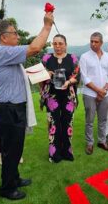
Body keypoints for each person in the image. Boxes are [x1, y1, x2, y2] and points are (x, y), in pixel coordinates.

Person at [0, 12, 53, 200]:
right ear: (3, 37)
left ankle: (14, 178)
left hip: (12, 108)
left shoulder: (5, 54)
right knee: (11, 150)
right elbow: (35, 48)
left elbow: (18, 76)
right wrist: (47, 26)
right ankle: (7, 189)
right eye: (14, 33)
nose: (18, 36)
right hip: (8, 109)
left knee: (16, 148)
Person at [40, 34, 80, 163]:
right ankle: (54, 154)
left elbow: (77, 76)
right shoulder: (46, 59)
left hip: (68, 96)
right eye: (55, 43)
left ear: (65, 45)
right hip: (52, 96)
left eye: (60, 43)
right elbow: (40, 78)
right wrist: (47, 74)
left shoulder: (72, 58)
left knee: (67, 124)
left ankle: (66, 152)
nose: (57, 46)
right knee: (54, 125)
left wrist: (68, 82)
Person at [80, 32, 108, 155]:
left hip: (106, 93)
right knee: (89, 120)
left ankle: (102, 141)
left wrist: (103, 90)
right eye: (91, 41)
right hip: (90, 94)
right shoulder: (84, 57)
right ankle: (89, 143)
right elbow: (85, 78)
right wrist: (99, 91)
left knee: (103, 119)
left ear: (101, 43)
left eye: (96, 42)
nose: (93, 44)